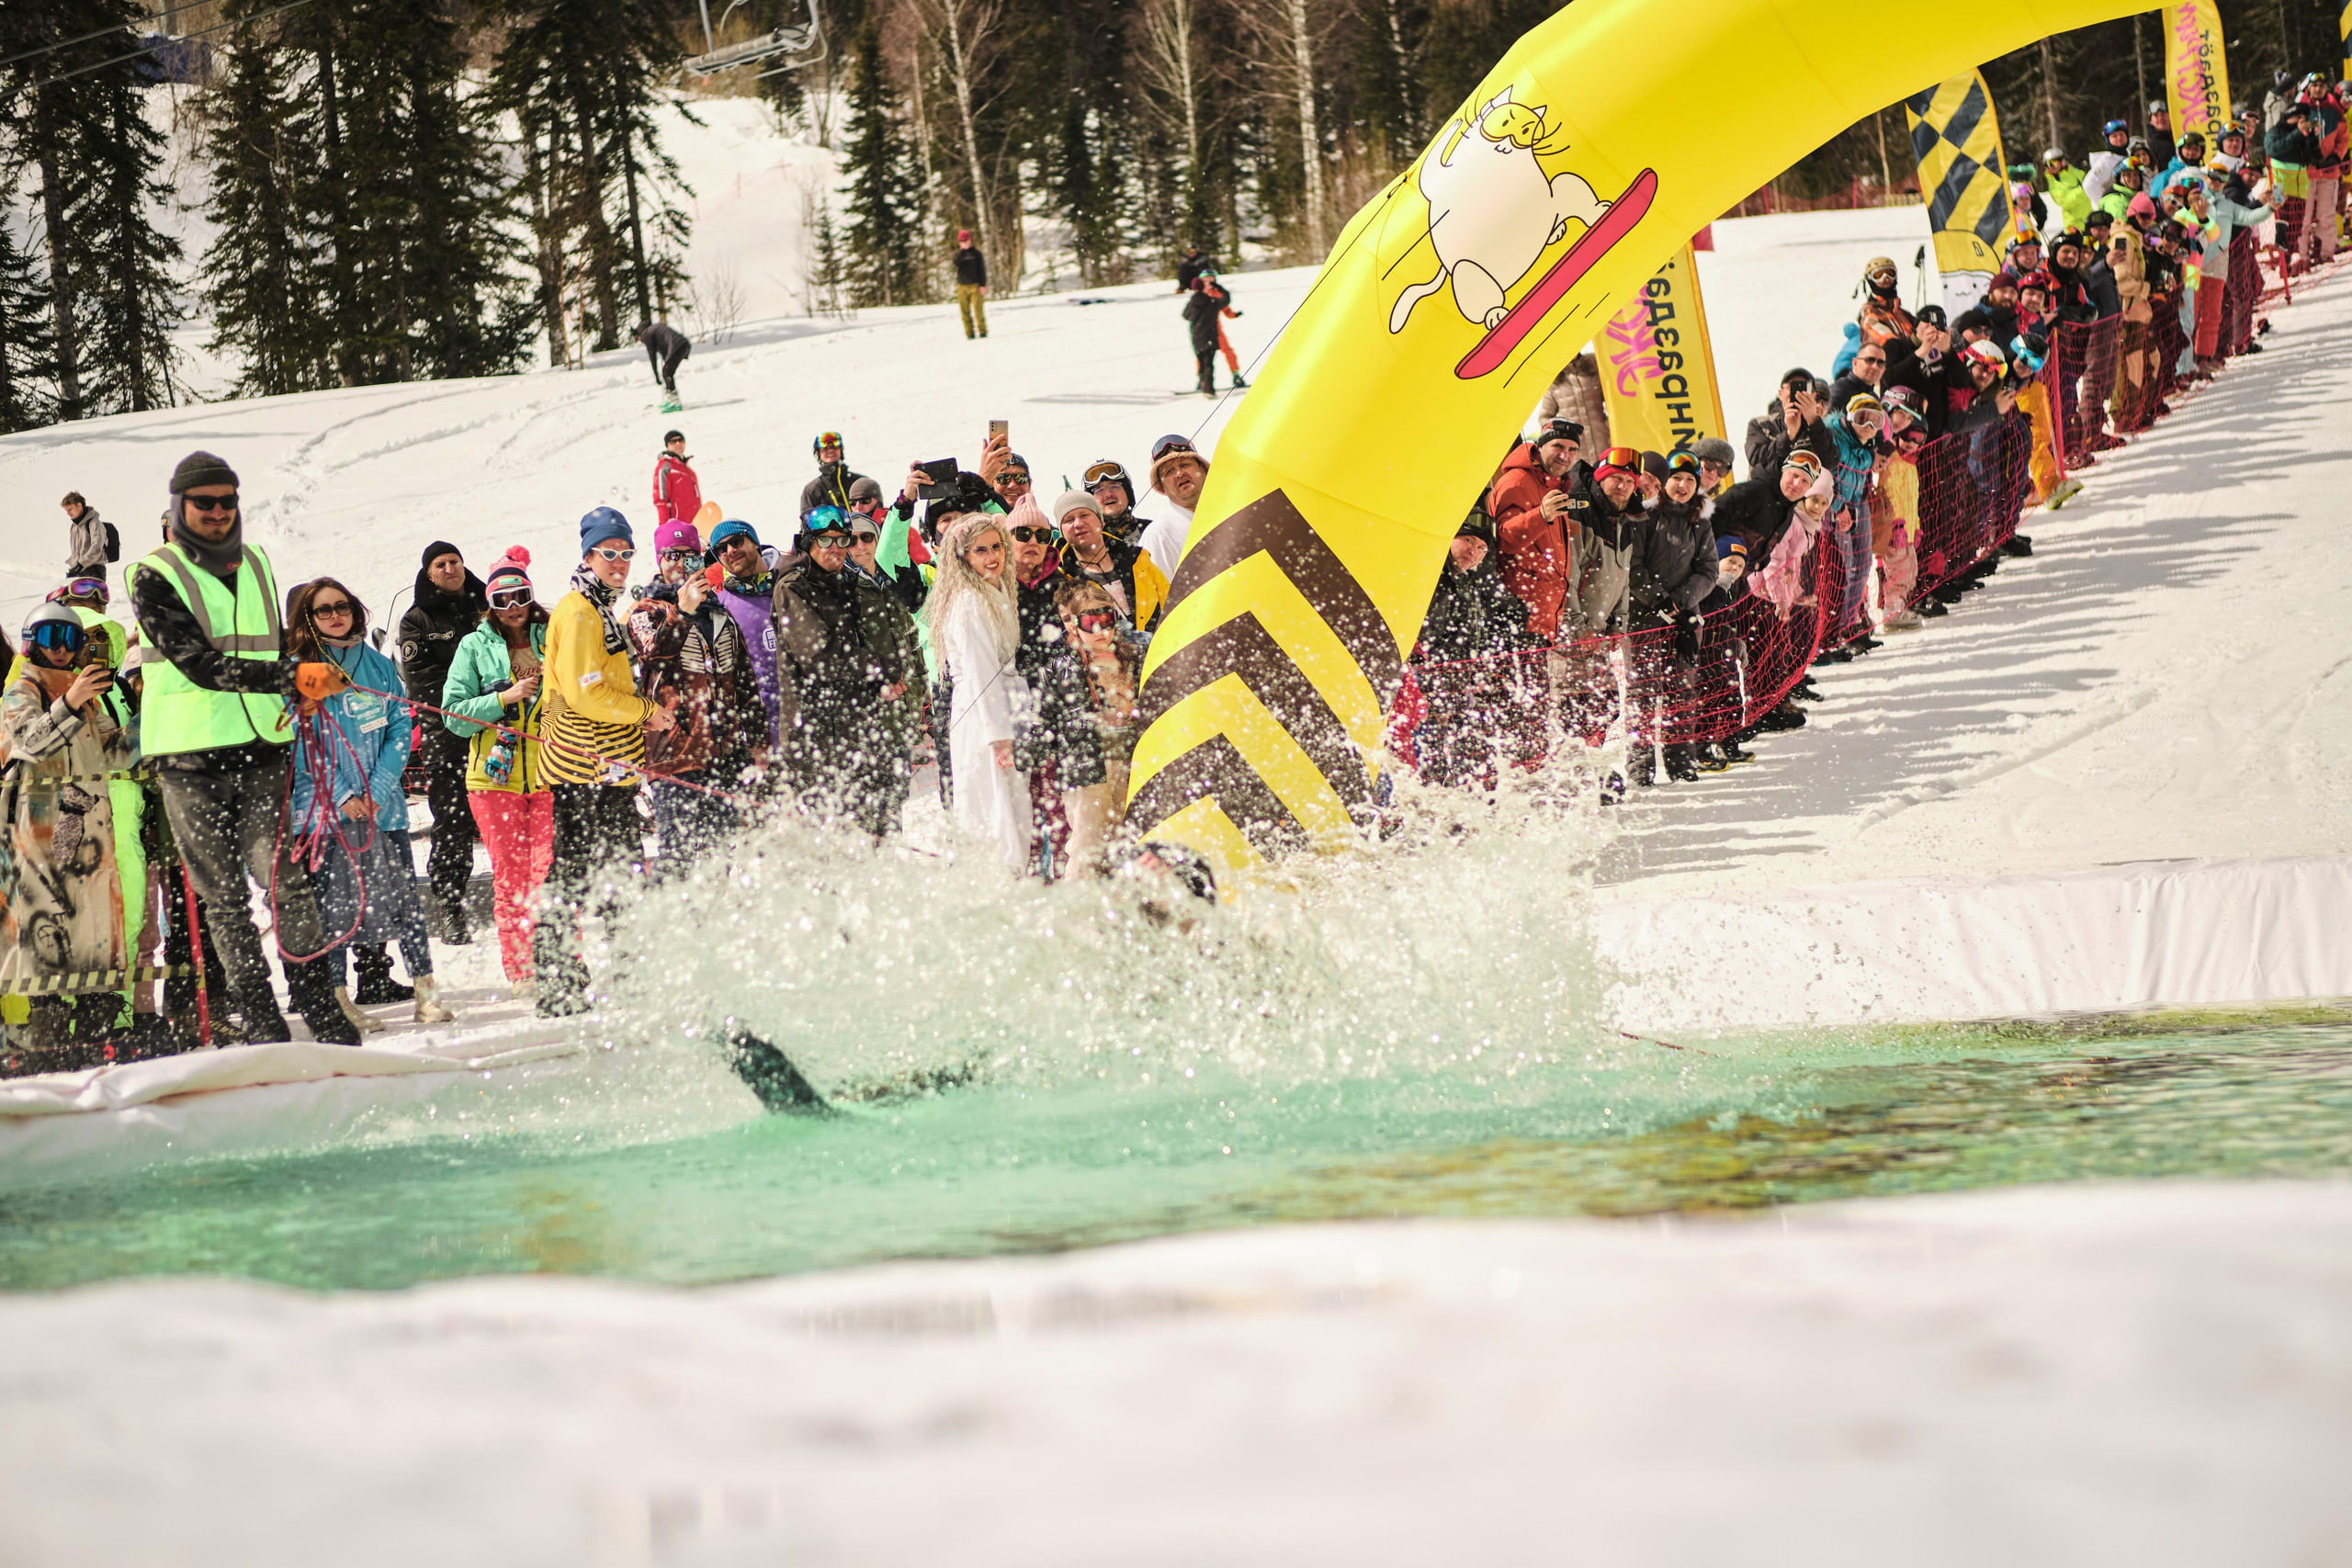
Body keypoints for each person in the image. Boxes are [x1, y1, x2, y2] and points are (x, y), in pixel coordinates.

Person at [127, 450, 358, 1046]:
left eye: (227, 501)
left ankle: (319, 1004)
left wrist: (299, 687)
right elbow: (196, 662)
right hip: (189, 756)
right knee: (225, 897)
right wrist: (290, 676)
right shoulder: (151, 572)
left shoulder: (255, 559)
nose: (218, 512)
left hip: (262, 745)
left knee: (285, 881)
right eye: (204, 502)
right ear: (179, 506)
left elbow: (268, 644)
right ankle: (259, 1013)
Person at [284, 578, 454, 1030]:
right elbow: (304, 738)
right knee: (335, 908)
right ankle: (339, 999)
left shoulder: (377, 665)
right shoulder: (303, 669)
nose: (335, 616)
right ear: (308, 618)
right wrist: (342, 793)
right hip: (327, 810)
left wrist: (377, 789)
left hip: (384, 806)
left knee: (406, 901)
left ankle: (426, 993)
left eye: (342, 606)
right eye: (323, 610)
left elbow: (400, 726)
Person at [532, 507, 675, 1016]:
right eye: (609, 553)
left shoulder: (597, 608)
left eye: (626, 553)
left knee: (622, 871)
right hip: (580, 766)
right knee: (573, 873)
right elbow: (585, 693)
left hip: (608, 766)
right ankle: (557, 981)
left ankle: (631, 973)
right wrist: (646, 713)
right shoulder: (578, 612)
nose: (620, 562)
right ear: (588, 556)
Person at [0, 604, 139, 1067]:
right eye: (49, 637)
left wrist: (149, 717)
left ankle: (96, 1029)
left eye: (70, 638)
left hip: (89, 835)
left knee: (92, 930)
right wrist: (70, 701)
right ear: (31, 641)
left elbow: (114, 754)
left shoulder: (87, 695)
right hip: (40, 835)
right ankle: (49, 1035)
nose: (60, 648)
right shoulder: (24, 689)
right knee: (46, 928)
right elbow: (29, 741)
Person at [439, 547, 554, 997]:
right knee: (513, 876)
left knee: (551, 873)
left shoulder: (552, 635)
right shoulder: (474, 645)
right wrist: (503, 698)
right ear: (490, 604)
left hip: (550, 772)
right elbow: (453, 715)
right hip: (494, 780)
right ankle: (522, 969)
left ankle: (560, 960)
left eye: (520, 596)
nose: (513, 607)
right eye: (501, 600)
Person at [771, 505, 922, 837]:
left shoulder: (846, 583)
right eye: (825, 540)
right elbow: (820, 656)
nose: (836, 548)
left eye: (842, 540)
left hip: (860, 731)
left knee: (880, 832)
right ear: (808, 543)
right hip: (817, 741)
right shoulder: (793, 588)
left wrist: (886, 679)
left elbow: (868, 641)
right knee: (834, 841)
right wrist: (880, 668)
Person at [1004, 496, 1106, 878]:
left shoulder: (1067, 585)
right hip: (1014, 710)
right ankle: (1031, 882)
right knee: (1022, 807)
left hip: (1063, 709)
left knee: (1063, 804)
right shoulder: (995, 588)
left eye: (1042, 534)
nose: (1033, 541)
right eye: (1023, 533)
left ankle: (1068, 878)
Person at [927, 513, 1028, 871]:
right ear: (963, 557)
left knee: (1007, 807)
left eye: (996, 547)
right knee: (993, 809)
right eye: (980, 550)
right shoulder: (970, 602)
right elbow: (980, 673)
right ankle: (1000, 880)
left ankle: (1010, 876)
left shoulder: (993, 592)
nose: (992, 557)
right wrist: (999, 736)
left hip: (1000, 709)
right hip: (982, 717)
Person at [398, 541, 486, 944]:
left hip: (500, 730)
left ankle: (528, 895)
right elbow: (424, 684)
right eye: (440, 564)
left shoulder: (487, 603)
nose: (450, 569)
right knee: (453, 822)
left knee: (512, 815)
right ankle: (450, 905)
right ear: (429, 573)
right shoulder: (416, 620)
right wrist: (476, 703)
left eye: (455, 561)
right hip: (448, 735)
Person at [1048, 578, 1146, 874]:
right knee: (1088, 847)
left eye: (1108, 620)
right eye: (1091, 623)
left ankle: (1118, 899)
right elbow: (1052, 719)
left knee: (1124, 841)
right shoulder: (1065, 664)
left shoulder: (1130, 657)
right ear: (1074, 625)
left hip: (1127, 760)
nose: (1101, 630)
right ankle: (1077, 899)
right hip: (1090, 765)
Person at [1487, 419, 1585, 639]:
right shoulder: (1516, 481)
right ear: (1540, 447)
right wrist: (1541, 516)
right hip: (1520, 616)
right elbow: (1503, 540)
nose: (1565, 455)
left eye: (1573, 449)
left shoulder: (1556, 484)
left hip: (1545, 616)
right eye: (1558, 446)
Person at [706, 519, 785, 742]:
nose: (730, 550)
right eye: (721, 549)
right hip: (765, 729)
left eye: (737, 541)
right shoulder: (721, 606)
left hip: (813, 713)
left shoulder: (790, 583)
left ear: (754, 542)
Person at [1053, 488, 1168, 634]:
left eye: (1084, 515)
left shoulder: (1138, 561)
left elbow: (1172, 606)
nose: (1078, 523)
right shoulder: (1064, 582)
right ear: (1062, 531)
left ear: (1100, 520)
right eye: (1069, 520)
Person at [1744, 368, 1836, 479]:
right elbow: (1757, 461)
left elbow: (1830, 462)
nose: (1798, 393)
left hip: (1801, 489)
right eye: (1792, 388)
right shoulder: (1761, 424)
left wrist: (1813, 421)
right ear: (1780, 394)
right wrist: (1789, 435)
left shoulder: (1819, 430)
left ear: (1813, 396)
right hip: (1765, 488)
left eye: (1804, 388)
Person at [1138, 434, 1207, 574]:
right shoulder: (1158, 536)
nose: (1179, 473)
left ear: (1202, 469)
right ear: (1162, 486)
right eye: (1169, 471)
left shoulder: (1233, 510)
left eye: (1184, 464)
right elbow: (1157, 588)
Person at [1532, 353, 1610, 450]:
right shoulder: (1555, 381)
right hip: (1574, 449)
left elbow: (1613, 404)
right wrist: (1562, 434)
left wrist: (1608, 426)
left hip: (1604, 441)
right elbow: (1545, 418)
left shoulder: (1594, 371)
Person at [1195, 269, 1248, 388]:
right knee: (1202, 355)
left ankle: (1236, 375)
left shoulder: (1217, 294)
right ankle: (1201, 379)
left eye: (1211, 279)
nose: (1208, 282)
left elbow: (1226, 309)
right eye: (1205, 280)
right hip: (1203, 331)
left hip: (1216, 330)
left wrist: (1235, 314)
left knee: (1228, 351)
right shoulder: (1200, 295)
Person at [1083, 459, 1151, 548]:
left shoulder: (1152, 530)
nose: (1108, 494)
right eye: (1100, 491)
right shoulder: (1087, 544)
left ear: (1128, 494)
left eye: (1114, 487)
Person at [800, 431, 869, 518]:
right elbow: (807, 522)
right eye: (825, 449)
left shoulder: (861, 482)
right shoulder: (812, 490)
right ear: (818, 454)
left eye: (835, 447)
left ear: (841, 450)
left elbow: (877, 510)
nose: (830, 450)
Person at [634, 321, 691, 408]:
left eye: (638, 338)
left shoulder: (646, 333)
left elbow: (652, 356)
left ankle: (674, 402)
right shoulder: (653, 329)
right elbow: (665, 352)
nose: (640, 340)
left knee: (667, 372)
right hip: (683, 345)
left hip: (678, 346)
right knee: (667, 371)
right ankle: (671, 397)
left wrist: (656, 376)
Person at [1183, 276, 1225, 395]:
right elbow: (1226, 300)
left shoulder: (1191, 303)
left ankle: (1202, 383)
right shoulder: (1211, 301)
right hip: (1210, 335)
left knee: (1201, 362)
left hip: (1197, 337)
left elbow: (1185, 315)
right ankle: (1208, 388)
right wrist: (1218, 287)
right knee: (1208, 363)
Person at [652, 431, 702, 528]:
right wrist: (665, 528)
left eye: (681, 440)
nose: (678, 443)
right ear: (667, 445)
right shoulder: (665, 467)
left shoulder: (689, 471)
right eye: (673, 441)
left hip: (695, 526)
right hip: (678, 528)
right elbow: (661, 500)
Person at [62, 491, 113, 584]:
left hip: (94, 570)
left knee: (91, 594)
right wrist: (74, 568)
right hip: (78, 572)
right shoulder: (74, 526)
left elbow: (97, 548)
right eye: (66, 511)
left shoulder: (94, 523)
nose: (68, 513)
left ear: (79, 505)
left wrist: (80, 565)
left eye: (70, 509)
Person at [953, 230, 989, 339]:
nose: (965, 243)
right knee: (965, 312)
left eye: (966, 240)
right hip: (962, 287)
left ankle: (982, 332)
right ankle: (969, 333)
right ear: (960, 242)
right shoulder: (959, 255)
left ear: (970, 240)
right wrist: (962, 251)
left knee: (978, 311)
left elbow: (981, 270)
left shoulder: (976, 254)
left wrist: (982, 285)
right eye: (962, 241)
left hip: (975, 286)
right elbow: (956, 263)